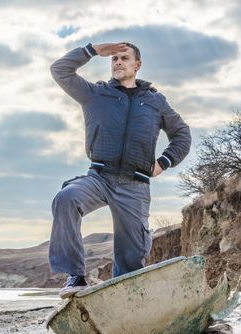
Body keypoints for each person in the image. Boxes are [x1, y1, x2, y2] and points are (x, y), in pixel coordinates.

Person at [49, 42, 191, 299]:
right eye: (114, 58)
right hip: (99, 177)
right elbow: (60, 70)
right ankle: (75, 276)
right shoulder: (95, 94)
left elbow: (182, 134)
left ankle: (124, 299)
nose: (117, 62)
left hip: (134, 185)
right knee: (66, 198)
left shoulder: (156, 102)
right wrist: (91, 50)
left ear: (137, 65)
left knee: (131, 263)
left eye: (124, 58)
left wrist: (163, 162)